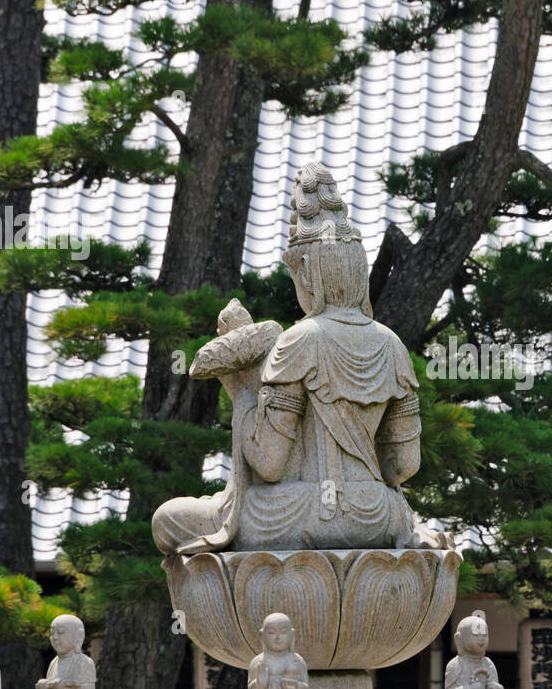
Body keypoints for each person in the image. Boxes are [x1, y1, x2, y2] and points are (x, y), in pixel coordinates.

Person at [153, 162, 449, 554]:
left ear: (307, 274)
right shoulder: (391, 345)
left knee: (168, 519)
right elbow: (402, 466)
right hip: (380, 514)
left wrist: (241, 389)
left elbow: (270, 464)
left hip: (304, 514)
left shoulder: (299, 340)